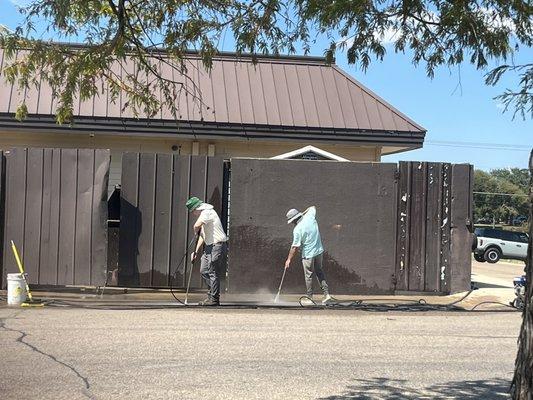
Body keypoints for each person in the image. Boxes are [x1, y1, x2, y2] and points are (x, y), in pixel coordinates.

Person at [285, 206, 332, 304]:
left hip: (308, 255)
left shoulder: (297, 229)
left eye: (292, 221)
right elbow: (312, 207)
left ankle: (310, 297)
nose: (292, 223)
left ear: (294, 220)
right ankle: (326, 294)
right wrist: (303, 212)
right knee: (319, 271)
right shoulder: (310, 216)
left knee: (308, 275)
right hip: (319, 252)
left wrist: (288, 259)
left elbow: (295, 247)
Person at [186, 196, 228, 306]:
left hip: (217, 245)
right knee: (204, 270)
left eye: (192, 211)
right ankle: (211, 294)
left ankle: (214, 299)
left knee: (212, 272)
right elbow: (203, 236)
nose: (193, 214)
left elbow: (196, 225)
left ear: (196, 209)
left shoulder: (207, 212)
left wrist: (195, 231)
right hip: (209, 246)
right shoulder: (204, 217)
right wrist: (195, 251)